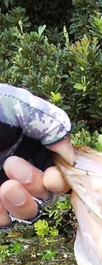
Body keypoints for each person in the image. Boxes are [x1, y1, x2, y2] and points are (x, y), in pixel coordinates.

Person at [0, 84, 74, 229]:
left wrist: (70, 163)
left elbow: (53, 122)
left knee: (56, 179)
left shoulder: (9, 104)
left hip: (36, 149)